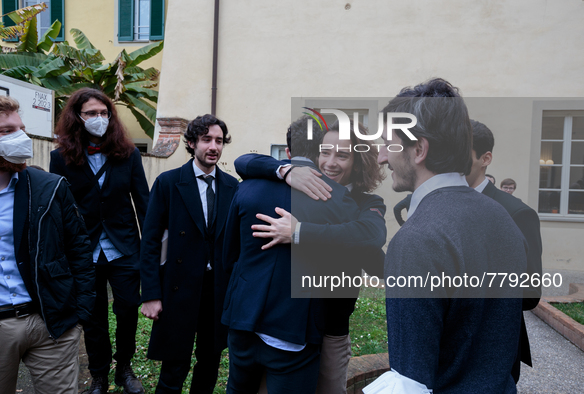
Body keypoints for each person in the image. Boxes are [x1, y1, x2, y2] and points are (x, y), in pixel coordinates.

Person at [378, 78, 527, 393]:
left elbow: (410, 382)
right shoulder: (502, 217)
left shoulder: (417, 239)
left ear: (419, 150)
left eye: (389, 145)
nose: (381, 157)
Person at [234, 121, 387, 394]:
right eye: (324, 152)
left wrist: (300, 232)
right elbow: (243, 161)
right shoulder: (300, 184)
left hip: (330, 328)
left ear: (358, 161)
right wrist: (285, 169)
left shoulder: (366, 204)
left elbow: (371, 237)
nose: (330, 163)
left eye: (342, 155)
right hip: (286, 325)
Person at [49, 88, 149, 394]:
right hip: (83, 250)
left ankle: (124, 368)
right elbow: (58, 210)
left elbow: (144, 203)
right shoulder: (60, 158)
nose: (99, 119)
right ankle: (99, 374)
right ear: (77, 117)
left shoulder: (129, 154)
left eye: (104, 113)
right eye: (92, 113)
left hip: (124, 247)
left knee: (128, 308)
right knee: (92, 317)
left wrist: (151, 249)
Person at [0, 96, 95, 394]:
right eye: (6, 131)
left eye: (21, 128)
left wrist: (79, 314)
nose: (20, 138)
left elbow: (79, 250)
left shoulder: (50, 187)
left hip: (51, 321)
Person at [140, 114, 238, 394]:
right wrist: (150, 294)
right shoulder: (169, 183)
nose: (214, 147)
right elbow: (149, 242)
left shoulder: (233, 187)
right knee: (173, 369)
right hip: (178, 287)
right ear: (192, 142)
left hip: (217, 291)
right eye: (207, 139)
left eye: (219, 141)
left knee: (209, 365)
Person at [465, 119, 543, 383]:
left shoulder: (517, 213)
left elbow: (530, 293)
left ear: (486, 158)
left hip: (493, 344)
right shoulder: (437, 202)